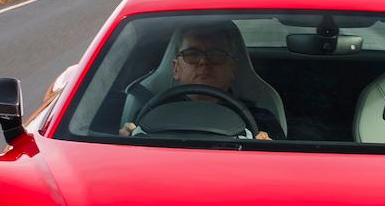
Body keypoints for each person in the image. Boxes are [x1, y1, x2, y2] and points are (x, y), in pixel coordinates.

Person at [122, 22, 284, 140]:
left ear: (233, 68)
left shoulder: (262, 120)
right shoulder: (148, 115)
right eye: (192, 54)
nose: (203, 62)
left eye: (216, 55)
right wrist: (124, 142)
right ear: (176, 68)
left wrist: (269, 150)